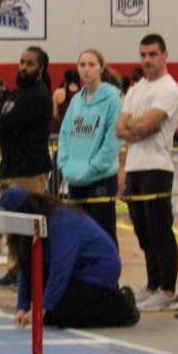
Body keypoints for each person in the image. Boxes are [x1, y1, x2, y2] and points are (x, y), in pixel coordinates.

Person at [0, 188, 139, 330]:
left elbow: (61, 267)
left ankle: (121, 306)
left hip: (97, 270)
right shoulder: (33, 225)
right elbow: (28, 268)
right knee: (49, 315)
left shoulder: (60, 220)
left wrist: (43, 306)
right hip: (76, 270)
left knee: (62, 315)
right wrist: (22, 307)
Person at [116, 33, 178, 312]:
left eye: (153, 54)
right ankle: (153, 285)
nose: (147, 60)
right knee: (143, 232)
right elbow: (120, 129)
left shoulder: (169, 89)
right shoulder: (136, 89)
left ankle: (168, 291)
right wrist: (138, 127)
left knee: (159, 231)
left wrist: (136, 126)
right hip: (134, 167)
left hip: (157, 167)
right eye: (143, 55)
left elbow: (143, 125)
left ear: (165, 55)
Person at [0, 46, 53, 288]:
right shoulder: (16, 95)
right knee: (11, 225)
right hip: (10, 168)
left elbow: (6, 124)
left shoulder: (39, 95)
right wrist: (2, 124)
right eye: (22, 62)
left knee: (27, 225)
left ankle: (30, 274)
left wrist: (3, 124)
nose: (23, 67)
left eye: (30, 63)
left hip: (30, 170)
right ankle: (14, 270)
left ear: (41, 68)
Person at [57, 48, 122, 242]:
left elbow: (113, 140)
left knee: (103, 234)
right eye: (82, 65)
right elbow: (64, 135)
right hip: (75, 179)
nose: (86, 69)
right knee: (78, 235)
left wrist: (94, 167)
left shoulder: (112, 100)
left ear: (101, 68)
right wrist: (64, 164)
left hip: (101, 178)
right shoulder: (75, 101)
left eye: (92, 65)